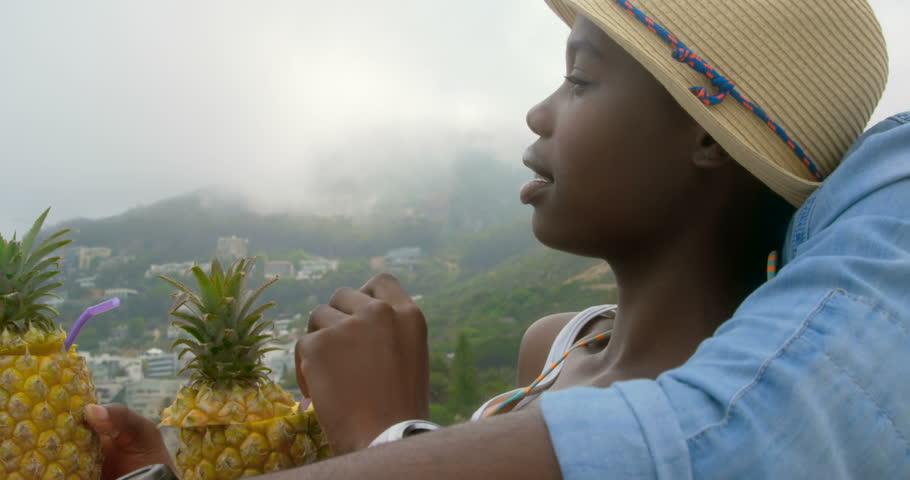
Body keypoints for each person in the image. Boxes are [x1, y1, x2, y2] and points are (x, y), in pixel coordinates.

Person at [86, 0, 909, 478]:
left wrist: (383, 434)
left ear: (707, 136)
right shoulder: (554, 345)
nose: (540, 112)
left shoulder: (709, 428)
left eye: (581, 77)